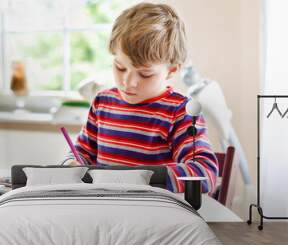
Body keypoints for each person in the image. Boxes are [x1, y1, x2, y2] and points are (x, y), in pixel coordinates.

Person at [63, 2, 218, 193]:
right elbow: (82, 153)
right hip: (103, 210)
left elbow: (205, 174)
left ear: (171, 70)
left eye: (144, 74)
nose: (128, 82)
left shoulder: (180, 112)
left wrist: (140, 180)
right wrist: (71, 164)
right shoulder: (102, 103)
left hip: (152, 215)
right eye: (120, 67)